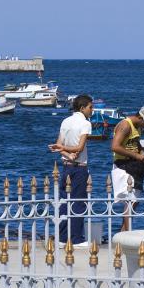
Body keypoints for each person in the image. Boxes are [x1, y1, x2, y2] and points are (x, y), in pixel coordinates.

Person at [48, 94, 93, 247]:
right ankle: (76, 239)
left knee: (64, 202)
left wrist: (67, 153)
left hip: (67, 166)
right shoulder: (85, 123)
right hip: (80, 168)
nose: (91, 110)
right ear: (82, 108)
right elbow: (80, 147)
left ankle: (61, 238)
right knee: (79, 202)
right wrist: (69, 152)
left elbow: (58, 145)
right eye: (90, 107)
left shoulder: (65, 121)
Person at [110, 110, 144, 231]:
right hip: (123, 165)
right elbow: (115, 146)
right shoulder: (125, 125)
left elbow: (136, 144)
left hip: (133, 165)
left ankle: (123, 232)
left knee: (134, 200)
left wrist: (143, 154)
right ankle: (128, 232)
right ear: (140, 117)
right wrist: (136, 156)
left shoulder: (137, 126)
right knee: (130, 200)